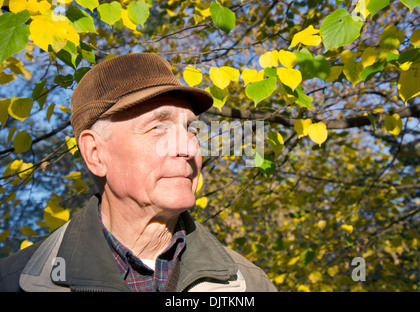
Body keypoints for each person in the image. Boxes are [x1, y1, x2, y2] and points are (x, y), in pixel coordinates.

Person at [0, 53, 277, 292]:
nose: (188, 148)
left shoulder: (249, 283)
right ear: (95, 153)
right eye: (158, 126)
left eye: (192, 129)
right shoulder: (16, 282)